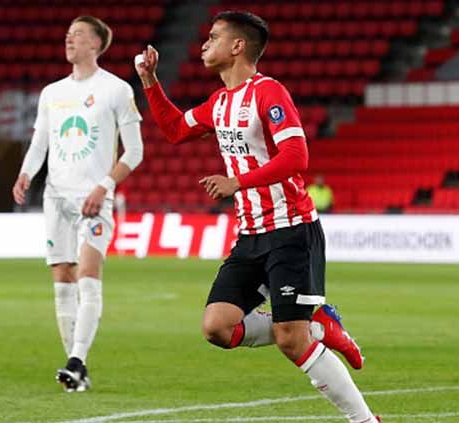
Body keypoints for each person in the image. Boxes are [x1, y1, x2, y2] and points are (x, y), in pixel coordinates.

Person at [135, 11, 380, 423]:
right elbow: (176, 129)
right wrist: (149, 82)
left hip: (291, 231)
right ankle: (319, 326)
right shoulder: (219, 103)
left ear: (237, 46)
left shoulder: (269, 93)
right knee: (216, 327)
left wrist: (238, 182)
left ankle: (366, 421)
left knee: (289, 339)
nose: (203, 44)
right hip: (250, 235)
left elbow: (296, 156)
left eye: (213, 37)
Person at [11, 15, 144, 391]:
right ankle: (75, 369)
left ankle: (78, 359)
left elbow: (135, 151)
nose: (70, 39)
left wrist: (103, 187)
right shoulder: (52, 93)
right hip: (56, 197)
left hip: (93, 199)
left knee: (88, 275)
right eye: (68, 34)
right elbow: (41, 142)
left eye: (79, 35)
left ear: (96, 45)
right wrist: (25, 173)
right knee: (62, 282)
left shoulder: (116, 90)